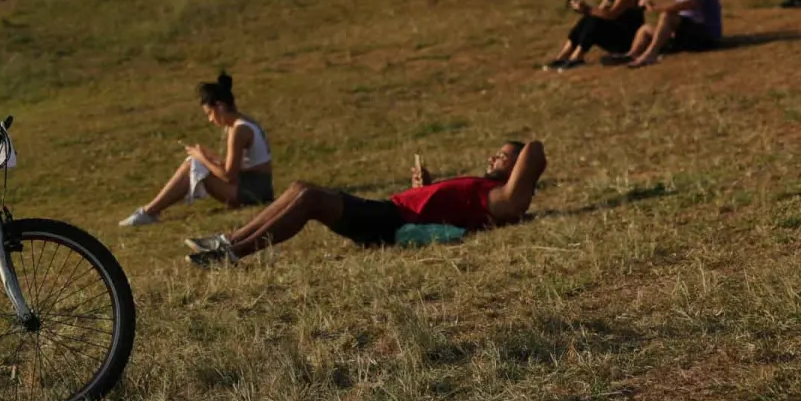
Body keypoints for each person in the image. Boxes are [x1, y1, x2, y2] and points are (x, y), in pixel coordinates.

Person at [184, 141, 546, 267]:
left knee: (310, 198)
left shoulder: (501, 199)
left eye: (504, 156)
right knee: (300, 187)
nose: (494, 157)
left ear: (517, 170)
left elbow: (536, 149)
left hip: (389, 222)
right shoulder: (484, 187)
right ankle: (228, 241)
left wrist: (520, 161)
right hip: (389, 210)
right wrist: (427, 188)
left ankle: (234, 253)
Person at [118, 73, 275, 227]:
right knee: (195, 162)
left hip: (253, 192)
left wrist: (202, 158)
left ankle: (149, 212)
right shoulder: (245, 122)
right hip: (258, 187)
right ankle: (149, 211)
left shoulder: (239, 130)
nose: (210, 119)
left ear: (220, 107)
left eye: (209, 114)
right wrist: (208, 157)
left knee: (193, 163)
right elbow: (237, 166)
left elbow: (229, 176)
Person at [541, 0, 643, 69]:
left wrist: (588, 9)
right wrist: (586, 9)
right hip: (617, 35)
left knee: (594, 20)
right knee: (587, 20)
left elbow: (611, 15)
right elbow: (600, 12)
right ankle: (563, 56)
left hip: (627, 41)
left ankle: (577, 57)